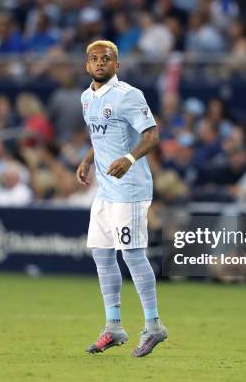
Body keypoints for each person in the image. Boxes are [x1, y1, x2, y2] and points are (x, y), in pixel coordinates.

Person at [76, 40, 167, 357]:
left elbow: (151, 135)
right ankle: (113, 326)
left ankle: (154, 325)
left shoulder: (129, 95)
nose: (100, 62)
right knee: (101, 254)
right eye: (94, 58)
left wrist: (129, 158)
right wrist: (88, 159)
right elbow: (100, 136)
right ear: (87, 65)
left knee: (132, 254)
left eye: (107, 58)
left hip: (129, 189)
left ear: (117, 65)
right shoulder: (87, 98)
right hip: (105, 191)